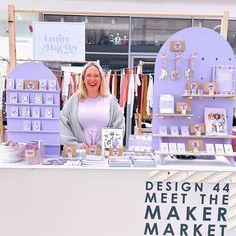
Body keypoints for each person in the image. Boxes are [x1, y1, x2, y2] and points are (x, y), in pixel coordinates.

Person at [60, 61, 125, 149]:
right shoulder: (74, 100)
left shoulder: (111, 101)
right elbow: (62, 124)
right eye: (88, 75)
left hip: (104, 156)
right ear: (83, 78)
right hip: (79, 156)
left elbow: (119, 128)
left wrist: (100, 146)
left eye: (96, 76)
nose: (92, 79)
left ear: (101, 78)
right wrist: (78, 146)